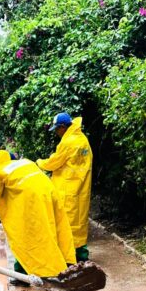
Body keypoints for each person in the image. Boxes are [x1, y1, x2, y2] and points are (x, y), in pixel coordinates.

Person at [0, 150, 75, 279]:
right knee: (57, 229)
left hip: (31, 200)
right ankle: (68, 263)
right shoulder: (24, 163)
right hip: (50, 193)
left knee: (28, 238)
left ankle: (50, 273)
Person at [36, 112, 93, 262]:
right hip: (81, 187)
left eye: (56, 129)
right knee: (79, 222)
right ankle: (81, 255)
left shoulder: (68, 143)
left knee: (66, 223)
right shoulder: (82, 139)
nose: (56, 132)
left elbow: (54, 162)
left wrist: (39, 163)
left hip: (67, 189)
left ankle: (69, 257)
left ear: (62, 127)